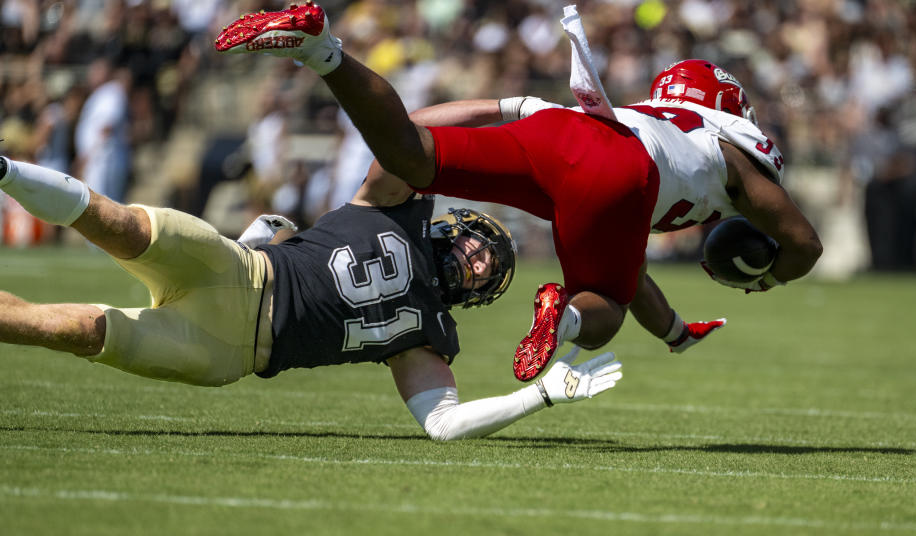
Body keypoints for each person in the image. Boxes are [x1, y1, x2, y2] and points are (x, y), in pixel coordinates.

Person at [215, 1, 822, 382]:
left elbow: (630, 267)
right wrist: (762, 278)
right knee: (600, 310)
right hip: (620, 175)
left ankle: (322, 50)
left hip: (565, 135)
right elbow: (803, 245)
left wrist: (673, 333)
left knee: (412, 158)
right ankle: (560, 322)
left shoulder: (650, 121)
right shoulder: (728, 150)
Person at [0, 154, 622, 440]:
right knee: (117, 222)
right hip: (240, 270)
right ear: (453, 225)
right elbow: (409, 137)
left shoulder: (432, 335)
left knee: (75, 331)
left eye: (491, 271)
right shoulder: (394, 205)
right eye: (484, 246)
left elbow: (443, 424)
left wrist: (538, 395)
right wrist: (507, 123)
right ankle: (4, 169)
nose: (480, 262)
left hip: (226, 351)